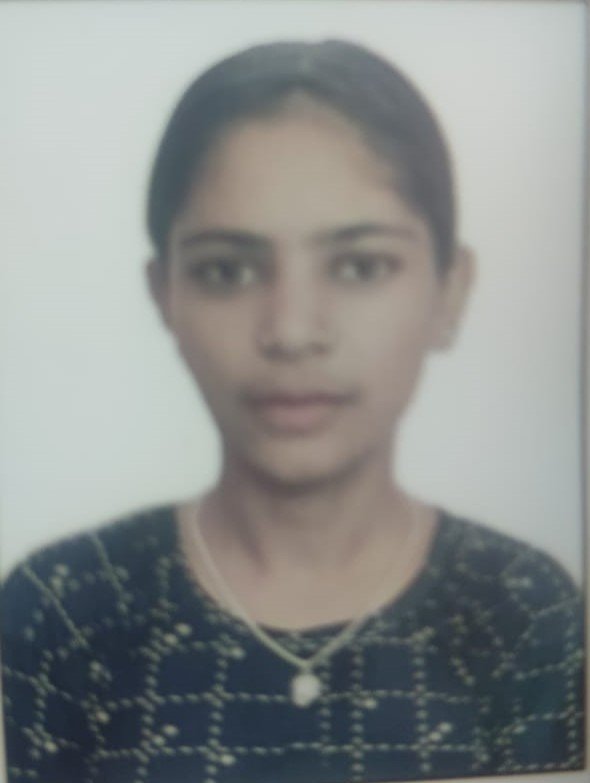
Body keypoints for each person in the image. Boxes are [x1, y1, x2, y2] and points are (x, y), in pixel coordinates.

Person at [1, 39, 584, 783]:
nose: (291, 331)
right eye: (227, 270)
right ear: (164, 295)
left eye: (359, 265)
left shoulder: (523, 614)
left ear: (450, 292)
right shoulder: (62, 612)